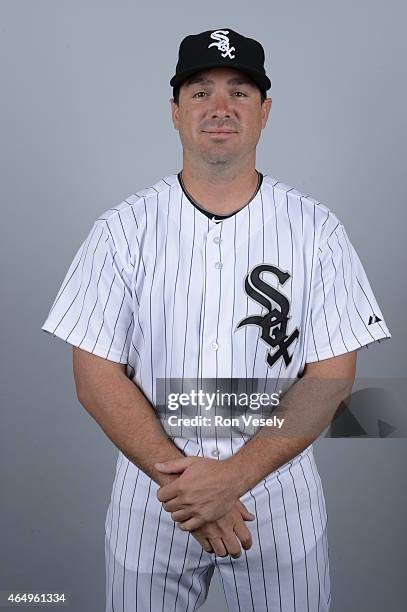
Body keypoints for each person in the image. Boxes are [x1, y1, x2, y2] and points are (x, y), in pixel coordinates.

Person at [41, 27, 392, 612]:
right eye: (200, 92)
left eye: (240, 92)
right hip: (153, 494)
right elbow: (95, 377)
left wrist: (233, 479)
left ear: (265, 112)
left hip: (277, 495)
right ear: (175, 113)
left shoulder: (317, 230)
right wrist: (189, 488)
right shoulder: (121, 230)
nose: (220, 108)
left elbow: (332, 377)